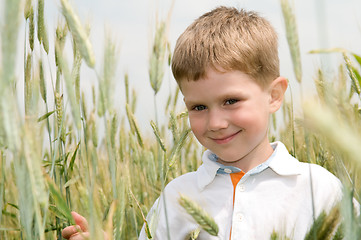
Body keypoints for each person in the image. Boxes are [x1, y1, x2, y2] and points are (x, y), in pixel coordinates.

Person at [62, 6, 343, 240]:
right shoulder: (176, 196)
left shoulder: (317, 188)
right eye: (198, 107)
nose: (216, 123)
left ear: (273, 95)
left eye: (231, 101)